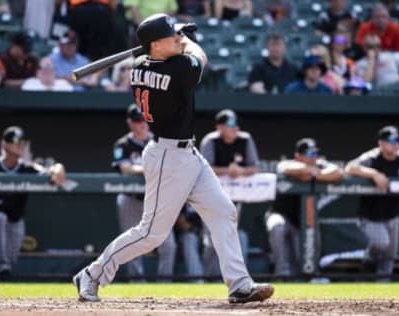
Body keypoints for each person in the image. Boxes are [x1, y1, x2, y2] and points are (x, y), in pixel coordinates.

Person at [73, 13, 274, 304]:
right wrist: (188, 40)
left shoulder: (141, 65)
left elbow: (166, 53)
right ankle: (92, 274)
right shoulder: (176, 69)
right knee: (152, 234)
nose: (179, 39)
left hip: (186, 154)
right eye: (173, 36)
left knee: (222, 211)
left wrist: (173, 36)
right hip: (168, 156)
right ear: (154, 45)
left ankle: (239, 284)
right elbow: (199, 57)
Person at [345, 126, 399, 277]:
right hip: (370, 216)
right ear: (381, 143)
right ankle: (368, 258)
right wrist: (373, 173)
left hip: (392, 215)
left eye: (397, 140)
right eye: (390, 140)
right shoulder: (373, 157)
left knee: (389, 258)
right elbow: (350, 167)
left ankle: (384, 293)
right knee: (382, 243)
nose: (394, 144)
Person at [0, 126, 66, 277]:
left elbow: (49, 171)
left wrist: (58, 168)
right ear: (4, 144)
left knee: (11, 258)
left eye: (23, 142)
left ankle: (4, 269)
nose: (20, 145)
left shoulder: (27, 167)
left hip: (16, 219)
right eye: (15, 142)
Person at [112, 104, 177, 280]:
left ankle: (165, 282)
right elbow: (124, 168)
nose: (142, 124)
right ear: (129, 123)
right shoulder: (123, 144)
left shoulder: (159, 141)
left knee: (168, 244)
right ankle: (137, 282)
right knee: (132, 243)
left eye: (144, 120)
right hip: (131, 199)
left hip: (157, 199)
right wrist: (147, 169)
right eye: (137, 120)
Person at [267, 138, 343, 277]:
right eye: (309, 154)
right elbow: (284, 167)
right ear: (298, 156)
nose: (313, 157)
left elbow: (338, 172)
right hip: (281, 214)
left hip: (303, 220)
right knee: (276, 226)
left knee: (304, 261)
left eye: (315, 153)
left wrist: (315, 174)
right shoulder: (289, 163)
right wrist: (311, 171)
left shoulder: (319, 165)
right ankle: (281, 274)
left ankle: (308, 277)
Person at [199, 109, 259, 277]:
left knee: (234, 238)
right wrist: (228, 170)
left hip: (235, 197)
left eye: (236, 124)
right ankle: (205, 277)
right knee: (212, 240)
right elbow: (204, 168)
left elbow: (254, 167)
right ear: (219, 127)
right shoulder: (210, 141)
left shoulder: (245, 139)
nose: (235, 128)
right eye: (230, 125)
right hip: (210, 197)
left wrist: (239, 171)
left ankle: (239, 278)